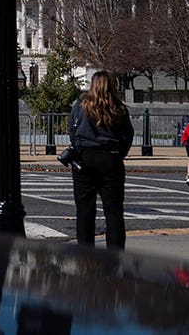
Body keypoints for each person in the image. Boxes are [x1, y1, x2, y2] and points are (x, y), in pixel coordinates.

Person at [69, 71, 134, 249]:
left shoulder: (80, 105)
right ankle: (114, 255)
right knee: (113, 211)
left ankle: (86, 255)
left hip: (84, 157)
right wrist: (119, 154)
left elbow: (72, 130)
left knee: (84, 210)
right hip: (110, 157)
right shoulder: (118, 107)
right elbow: (128, 135)